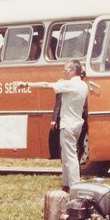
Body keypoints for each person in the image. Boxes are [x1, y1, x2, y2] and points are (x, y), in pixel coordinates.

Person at [22, 60, 89, 191]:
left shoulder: (70, 84)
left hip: (68, 124)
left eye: (66, 70)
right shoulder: (83, 85)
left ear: (73, 70)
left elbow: (46, 85)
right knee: (66, 155)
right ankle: (66, 184)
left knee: (70, 157)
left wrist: (26, 84)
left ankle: (75, 186)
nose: (64, 72)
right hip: (77, 124)